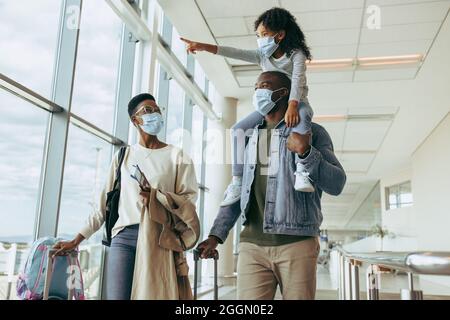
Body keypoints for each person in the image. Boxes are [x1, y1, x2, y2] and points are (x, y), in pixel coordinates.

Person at [197, 71, 346, 300]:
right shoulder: (248, 137)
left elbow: (337, 183)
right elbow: (237, 191)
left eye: (264, 86)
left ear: (283, 92)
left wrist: (307, 152)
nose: (258, 92)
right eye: (256, 87)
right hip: (251, 247)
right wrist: (216, 235)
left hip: (297, 243)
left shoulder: (313, 133)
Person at [53, 93, 200, 300]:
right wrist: (76, 240)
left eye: (157, 110)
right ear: (135, 120)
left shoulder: (177, 155)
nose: (155, 114)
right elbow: (103, 205)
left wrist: (157, 198)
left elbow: (188, 201)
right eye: (148, 111)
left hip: (159, 237)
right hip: (123, 238)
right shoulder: (123, 156)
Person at [181, 7, 315, 207]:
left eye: (265, 35)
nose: (260, 39)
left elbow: (297, 80)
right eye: (258, 35)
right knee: (238, 130)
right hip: (270, 107)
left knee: (303, 121)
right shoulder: (262, 56)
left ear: (280, 35)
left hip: (297, 103)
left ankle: (303, 172)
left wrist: (293, 105)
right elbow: (235, 52)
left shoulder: (296, 54)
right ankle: (237, 180)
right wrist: (204, 46)